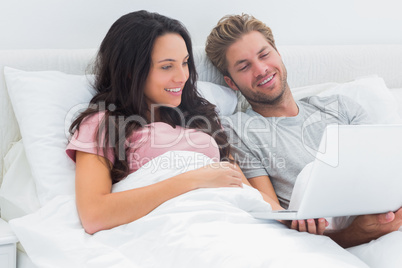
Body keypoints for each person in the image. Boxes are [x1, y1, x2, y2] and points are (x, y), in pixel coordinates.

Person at [65, 10, 283, 235]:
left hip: (230, 222)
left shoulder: (202, 119)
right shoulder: (102, 124)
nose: (182, 77)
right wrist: (194, 180)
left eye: (185, 63)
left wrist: (290, 219)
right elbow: (94, 215)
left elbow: (240, 185)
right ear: (130, 71)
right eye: (167, 66)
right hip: (171, 229)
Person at [205, 13, 402, 248]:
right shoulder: (239, 129)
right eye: (244, 66)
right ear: (231, 83)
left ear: (278, 53)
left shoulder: (341, 106)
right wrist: (354, 234)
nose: (261, 70)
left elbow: (384, 168)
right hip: (333, 244)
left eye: (264, 55)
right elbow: (271, 214)